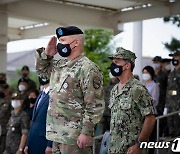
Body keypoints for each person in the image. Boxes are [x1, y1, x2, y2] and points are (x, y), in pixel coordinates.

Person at [35, 26, 105, 154]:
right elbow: (41, 71)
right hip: (56, 134)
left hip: (74, 137)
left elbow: (94, 105)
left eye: (62, 40)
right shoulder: (60, 65)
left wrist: (86, 132)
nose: (59, 44)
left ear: (76, 43)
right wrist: (47, 55)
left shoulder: (87, 69)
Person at [108, 47, 156, 154]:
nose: (113, 65)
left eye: (116, 62)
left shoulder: (137, 89)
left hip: (131, 150)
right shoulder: (115, 89)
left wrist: (139, 145)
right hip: (114, 148)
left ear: (127, 66)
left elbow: (150, 118)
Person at [24, 76, 52, 154]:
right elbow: (34, 121)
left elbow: (55, 120)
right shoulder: (40, 95)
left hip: (44, 142)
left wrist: (50, 144)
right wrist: (28, 143)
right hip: (34, 140)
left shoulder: (54, 95)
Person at [164, 50, 180, 137]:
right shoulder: (171, 74)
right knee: (171, 130)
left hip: (178, 106)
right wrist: (166, 106)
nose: (174, 59)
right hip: (170, 106)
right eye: (173, 57)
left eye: (176, 57)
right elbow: (168, 91)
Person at [0, 84, 11, 154]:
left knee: (3, 146)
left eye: (3, 90)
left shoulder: (9, 101)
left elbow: (2, 113)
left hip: (4, 127)